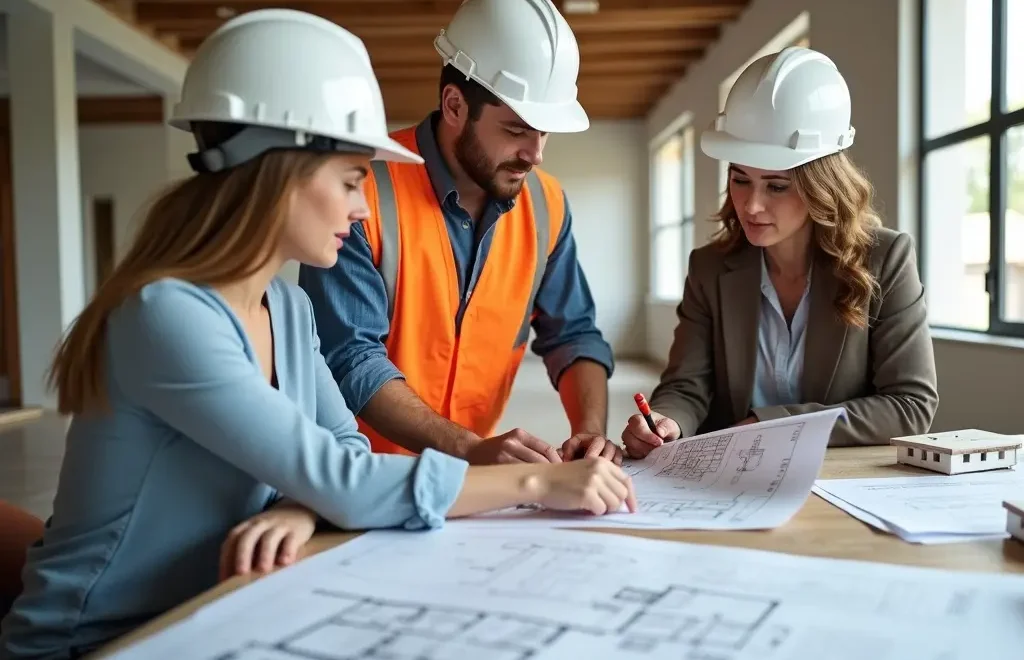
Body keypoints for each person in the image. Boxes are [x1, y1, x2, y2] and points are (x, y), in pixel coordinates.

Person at [0, 10, 634, 660]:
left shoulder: (284, 306)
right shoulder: (168, 316)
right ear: (279, 173)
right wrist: (539, 484)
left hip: (210, 615)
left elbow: (336, 456)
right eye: (352, 180)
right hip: (98, 643)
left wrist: (306, 504)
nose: (363, 205)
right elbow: (338, 473)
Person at [297, 0, 622, 467]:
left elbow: (574, 334)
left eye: (545, 134)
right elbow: (350, 357)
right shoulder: (360, 193)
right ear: (454, 105)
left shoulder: (546, 205)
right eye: (516, 130)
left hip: (469, 466)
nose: (535, 154)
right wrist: (471, 449)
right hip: (360, 465)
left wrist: (590, 432)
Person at [621, 47, 938, 458]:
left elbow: (910, 406)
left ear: (821, 185)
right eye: (739, 179)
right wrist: (665, 421)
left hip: (839, 476)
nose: (751, 205)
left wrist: (773, 424)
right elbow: (687, 385)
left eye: (776, 186)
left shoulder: (886, 259)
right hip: (732, 480)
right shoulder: (710, 267)